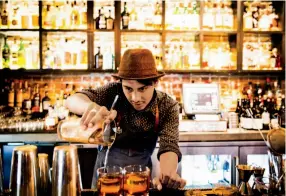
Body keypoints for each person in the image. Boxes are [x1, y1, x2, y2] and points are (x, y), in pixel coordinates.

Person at [66, 48, 186, 190]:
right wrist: (90, 106)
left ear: (155, 83)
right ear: (120, 83)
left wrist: (168, 174)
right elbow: (71, 100)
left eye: (142, 89)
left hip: (138, 180)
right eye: (128, 89)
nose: (135, 98)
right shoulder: (112, 92)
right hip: (106, 179)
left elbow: (169, 146)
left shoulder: (166, 105)